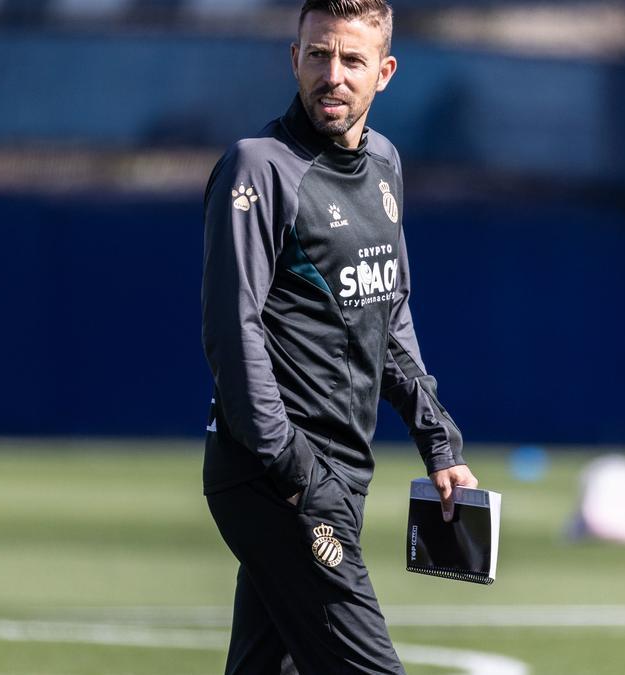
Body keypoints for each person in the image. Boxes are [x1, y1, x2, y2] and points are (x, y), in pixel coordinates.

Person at [201, 1, 477, 672]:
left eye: (352, 60)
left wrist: (438, 442)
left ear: (383, 72)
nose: (334, 75)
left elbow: (389, 314)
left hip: (345, 475)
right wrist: (296, 472)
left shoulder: (384, 164)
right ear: (294, 59)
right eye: (319, 55)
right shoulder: (259, 168)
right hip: (276, 477)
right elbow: (230, 331)